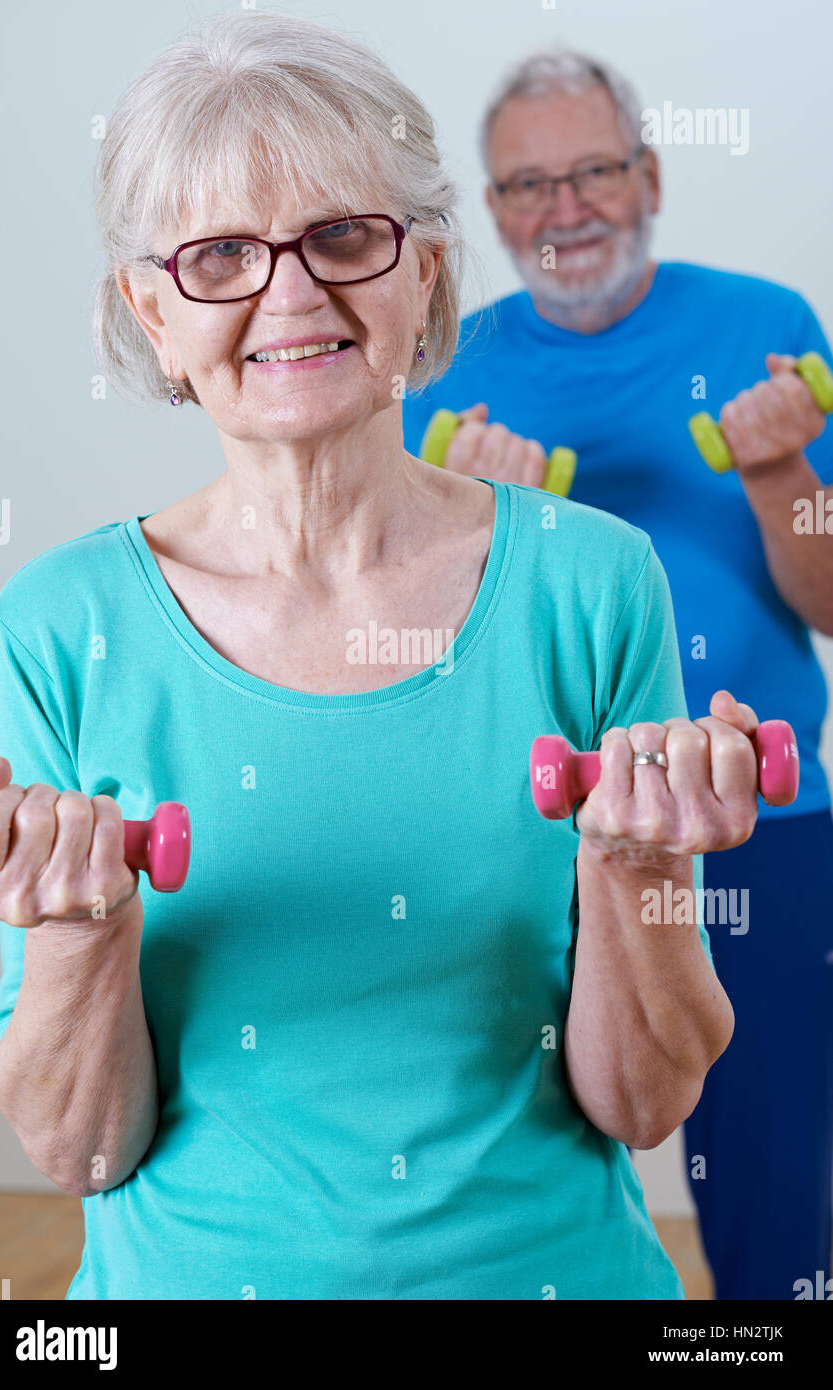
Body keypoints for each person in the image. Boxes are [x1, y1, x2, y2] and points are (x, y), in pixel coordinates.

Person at [0, 13, 755, 1302]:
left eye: (343, 237)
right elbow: (83, 1146)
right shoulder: (60, 624)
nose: (290, 294)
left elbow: (644, 1101)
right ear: (152, 312)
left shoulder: (595, 580)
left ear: (427, 278)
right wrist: (79, 928)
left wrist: (636, 858)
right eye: (222, 253)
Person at [401, 48, 833, 1301]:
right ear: (492, 211)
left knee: (771, 1176)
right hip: (523, 836)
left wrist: (777, 476)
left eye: (592, 170)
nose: (565, 207)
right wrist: (488, 537)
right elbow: (416, 669)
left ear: (648, 174)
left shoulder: (768, 331)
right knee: (512, 1163)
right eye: (529, 185)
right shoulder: (441, 372)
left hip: (764, 822)